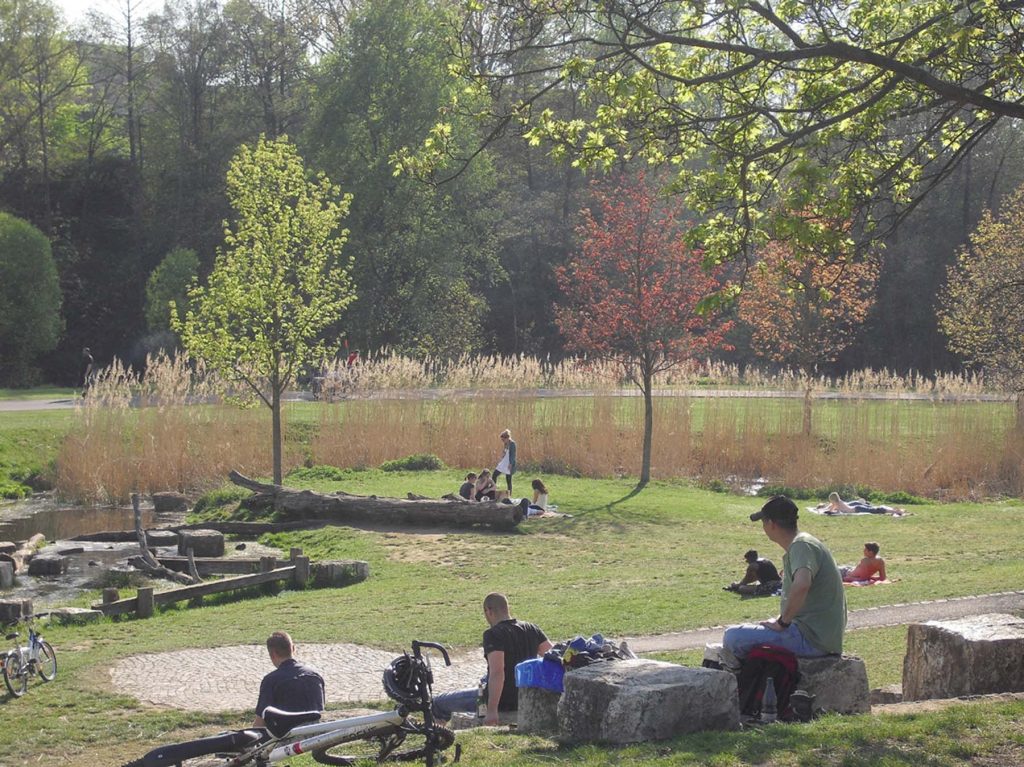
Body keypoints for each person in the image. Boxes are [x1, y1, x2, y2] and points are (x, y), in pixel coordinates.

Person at [721, 496, 846, 663]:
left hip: (812, 640)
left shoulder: (801, 545)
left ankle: (739, 683)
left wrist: (782, 623)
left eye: (763, 522)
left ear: (771, 524)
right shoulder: (804, 542)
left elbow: (802, 585)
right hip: (818, 636)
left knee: (733, 636)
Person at [432, 592, 551, 725]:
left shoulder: (494, 634)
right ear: (507, 608)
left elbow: (498, 672)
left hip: (504, 701)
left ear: (488, 611)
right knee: (484, 678)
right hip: (525, 696)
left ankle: (438, 738)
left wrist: (492, 710)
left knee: (437, 703)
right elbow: (552, 656)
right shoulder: (531, 628)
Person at [253, 631, 325, 728]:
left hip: (287, 737)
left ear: (272, 654)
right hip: (315, 734)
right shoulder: (315, 676)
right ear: (293, 648)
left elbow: (260, 723)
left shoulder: (271, 681)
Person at [825, 492, 905, 516]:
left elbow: (837, 512)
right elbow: (831, 508)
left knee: (875, 511)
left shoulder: (838, 504)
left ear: (833, 500)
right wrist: (829, 511)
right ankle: (894, 510)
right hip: (856, 507)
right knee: (874, 509)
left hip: (857, 509)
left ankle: (895, 511)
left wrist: (831, 512)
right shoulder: (838, 502)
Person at [493, 429, 516, 495]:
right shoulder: (506, 444)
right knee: (494, 475)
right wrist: (501, 458)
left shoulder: (512, 444)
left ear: (507, 438)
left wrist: (510, 464)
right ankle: (493, 491)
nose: (502, 441)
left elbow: (513, 455)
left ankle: (509, 495)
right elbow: (505, 452)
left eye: (503, 439)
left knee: (508, 479)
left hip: (509, 463)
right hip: (503, 463)